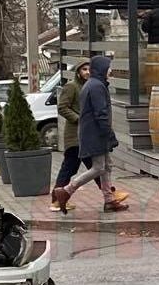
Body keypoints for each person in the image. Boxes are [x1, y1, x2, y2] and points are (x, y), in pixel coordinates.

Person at [52, 56, 129, 214]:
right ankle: (66, 190)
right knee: (98, 167)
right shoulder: (96, 87)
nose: (110, 71)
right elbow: (100, 114)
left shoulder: (93, 85)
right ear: (101, 68)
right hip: (95, 134)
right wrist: (109, 135)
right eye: (108, 67)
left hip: (94, 132)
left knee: (107, 166)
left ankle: (109, 200)